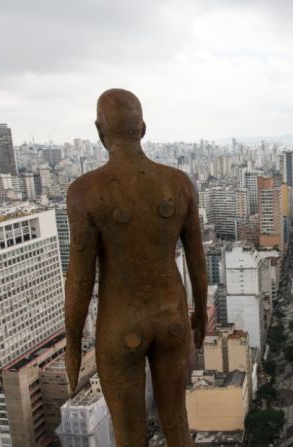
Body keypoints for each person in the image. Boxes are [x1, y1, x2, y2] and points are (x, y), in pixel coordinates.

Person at [64, 89, 207, 447]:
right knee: (176, 422)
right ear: (142, 127)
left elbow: (80, 278)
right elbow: (197, 260)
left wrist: (72, 341)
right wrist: (200, 312)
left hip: (121, 323)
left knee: (129, 435)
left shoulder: (85, 191)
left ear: (100, 131)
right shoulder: (178, 183)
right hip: (172, 318)